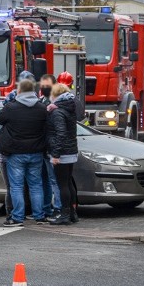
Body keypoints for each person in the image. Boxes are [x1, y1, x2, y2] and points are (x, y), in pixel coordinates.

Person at [0, 78, 48, 226]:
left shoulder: (11, 108)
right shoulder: (41, 108)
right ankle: (39, 216)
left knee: (16, 186)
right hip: (37, 151)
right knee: (36, 185)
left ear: (19, 91)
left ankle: (17, 217)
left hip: (16, 153)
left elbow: (1, 119)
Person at [46, 83, 79, 225]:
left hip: (62, 152)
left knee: (62, 185)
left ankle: (65, 215)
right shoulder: (68, 109)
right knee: (69, 183)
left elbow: (61, 133)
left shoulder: (57, 112)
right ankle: (72, 214)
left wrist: (56, 154)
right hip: (71, 150)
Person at [38, 74, 62, 218]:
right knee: (44, 181)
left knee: (54, 180)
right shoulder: (40, 102)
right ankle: (46, 208)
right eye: (42, 85)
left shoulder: (58, 104)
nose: (44, 88)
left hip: (52, 149)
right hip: (41, 147)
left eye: (47, 85)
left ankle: (58, 208)